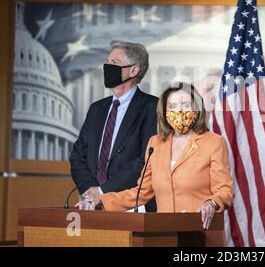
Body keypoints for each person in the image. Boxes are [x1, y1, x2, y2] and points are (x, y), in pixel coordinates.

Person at [86, 82, 233, 230]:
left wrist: (212, 202)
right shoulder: (155, 143)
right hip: (165, 232)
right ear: (164, 111)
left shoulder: (214, 142)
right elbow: (142, 192)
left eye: (185, 105)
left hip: (200, 231)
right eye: (173, 106)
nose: (179, 111)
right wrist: (102, 200)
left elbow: (224, 189)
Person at [70, 40, 158, 212]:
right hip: (91, 204)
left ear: (134, 70)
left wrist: (103, 192)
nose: (107, 66)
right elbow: (77, 156)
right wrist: (91, 191)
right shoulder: (96, 109)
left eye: (114, 63)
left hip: (130, 205)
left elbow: (145, 161)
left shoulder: (152, 108)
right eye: (107, 61)